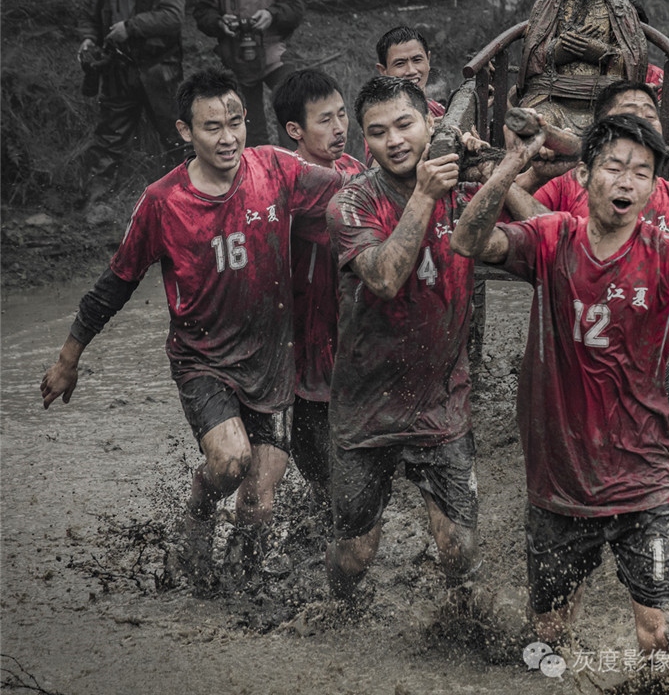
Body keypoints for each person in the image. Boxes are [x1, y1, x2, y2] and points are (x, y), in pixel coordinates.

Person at [450, 113, 669, 653]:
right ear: (586, 175)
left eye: (641, 172)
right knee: (547, 642)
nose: (626, 182)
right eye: (613, 167)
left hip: (644, 481)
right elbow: (468, 241)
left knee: (659, 637)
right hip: (560, 486)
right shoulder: (552, 238)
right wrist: (510, 168)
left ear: (654, 186)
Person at [40, 68, 347, 588]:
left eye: (235, 123)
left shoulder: (274, 168)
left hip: (272, 363)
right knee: (229, 464)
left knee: (257, 503)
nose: (228, 138)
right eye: (212, 128)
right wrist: (70, 356)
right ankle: (197, 517)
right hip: (203, 360)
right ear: (185, 132)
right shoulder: (163, 202)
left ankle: (240, 592)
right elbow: (117, 281)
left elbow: (351, 186)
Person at [322, 77, 542, 603]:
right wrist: (425, 193)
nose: (394, 140)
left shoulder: (465, 187)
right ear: (364, 143)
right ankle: (337, 614)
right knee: (355, 556)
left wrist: (495, 167)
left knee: (460, 551)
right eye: (377, 133)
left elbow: (542, 231)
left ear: (430, 124)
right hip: (365, 403)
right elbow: (383, 277)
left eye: (405, 124)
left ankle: (464, 629)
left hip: (442, 399)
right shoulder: (351, 204)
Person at [521, 80, 669, 529]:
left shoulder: (667, 191)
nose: (642, 117)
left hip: (647, 367)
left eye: (650, 110)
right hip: (571, 369)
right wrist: (519, 172)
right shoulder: (568, 187)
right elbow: (515, 230)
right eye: (629, 112)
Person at [270, 70, 365, 514]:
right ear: (296, 130)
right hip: (304, 347)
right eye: (325, 120)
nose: (340, 128)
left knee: (350, 456)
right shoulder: (291, 180)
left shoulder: (354, 169)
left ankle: (330, 519)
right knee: (319, 460)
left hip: (348, 335)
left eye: (342, 115)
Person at [78, 0, 185, 222]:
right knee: (109, 139)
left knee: (177, 135)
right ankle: (97, 204)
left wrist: (131, 27)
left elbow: (173, 17)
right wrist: (88, 40)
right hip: (117, 72)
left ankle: (194, 196)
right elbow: (89, 18)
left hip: (158, 71)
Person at [517, 0, 648, 134]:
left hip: (607, 106)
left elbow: (636, 62)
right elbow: (529, 60)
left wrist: (601, 53)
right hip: (553, 103)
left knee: (622, 126)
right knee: (539, 122)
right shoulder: (548, 4)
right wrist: (557, 52)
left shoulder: (620, 7)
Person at [194, 0, 305, 147]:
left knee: (291, 103)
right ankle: (260, 166)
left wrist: (272, 15)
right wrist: (219, 23)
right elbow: (202, 12)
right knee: (247, 118)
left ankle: (294, 162)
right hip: (236, 55)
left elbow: (297, 5)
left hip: (276, 49)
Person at [374, 25, 446, 119]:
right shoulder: (382, 119)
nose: (411, 71)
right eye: (400, 63)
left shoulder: (437, 109)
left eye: (417, 60)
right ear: (383, 71)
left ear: (428, 60)